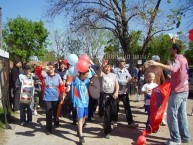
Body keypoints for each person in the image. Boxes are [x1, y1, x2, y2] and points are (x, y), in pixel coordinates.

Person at [148, 43, 190, 145]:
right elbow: (178, 71)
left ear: (175, 50)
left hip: (178, 92)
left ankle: (176, 139)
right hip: (185, 90)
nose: (169, 50)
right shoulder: (183, 58)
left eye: (171, 49)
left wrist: (157, 64)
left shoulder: (177, 59)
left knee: (171, 116)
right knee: (182, 114)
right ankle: (185, 137)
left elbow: (173, 68)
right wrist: (174, 41)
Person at [112, 57, 138, 128]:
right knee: (115, 108)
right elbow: (116, 80)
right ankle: (114, 121)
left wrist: (132, 80)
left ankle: (130, 122)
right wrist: (127, 81)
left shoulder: (126, 70)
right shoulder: (114, 70)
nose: (124, 62)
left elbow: (129, 78)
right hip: (117, 92)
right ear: (118, 62)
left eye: (124, 61)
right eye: (122, 61)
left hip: (124, 92)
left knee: (127, 107)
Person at [97, 58, 119, 139]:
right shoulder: (102, 74)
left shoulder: (113, 75)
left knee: (114, 112)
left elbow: (116, 84)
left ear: (110, 67)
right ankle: (107, 131)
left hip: (112, 96)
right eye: (105, 67)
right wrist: (101, 66)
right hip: (104, 95)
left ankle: (110, 124)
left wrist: (116, 92)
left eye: (108, 67)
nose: (107, 68)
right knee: (107, 114)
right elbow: (98, 74)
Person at [43, 62, 63, 135]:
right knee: (48, 112)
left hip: (56, 97)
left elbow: (61, 85)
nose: (50, 69)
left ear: (54, 68)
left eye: (52, 67)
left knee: (55, 111)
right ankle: (48, 128)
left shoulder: (57, 76)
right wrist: (45, 68)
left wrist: (61, 94)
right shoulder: (45, 75)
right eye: (49, 67)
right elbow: (38, 71)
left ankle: (56, 121)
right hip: (47, 97)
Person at [71, 69, 90, 144]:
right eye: (86, 74)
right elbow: (73, 75)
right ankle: (81, 136)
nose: (88, 75)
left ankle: (79, 130)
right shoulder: (76, 80)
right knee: (80, 118)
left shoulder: (87, 81)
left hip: (86, 102)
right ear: (82, 74)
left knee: (84, 118)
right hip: (79, 102)